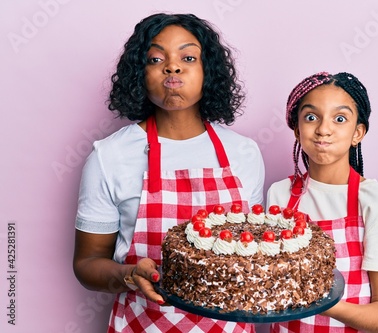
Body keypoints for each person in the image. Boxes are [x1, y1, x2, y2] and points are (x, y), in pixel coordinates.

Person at [73, 13, 265, 333]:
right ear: (140, 74)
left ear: (209, 72)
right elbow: (87, 264)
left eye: (188, 57)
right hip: (141, 323)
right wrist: (128, 275)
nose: (172, 67)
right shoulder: (110, 156)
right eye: (156, 58)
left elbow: (253, 250)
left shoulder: (243, 153)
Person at [267, 72, 378, 333]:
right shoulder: (279, 195)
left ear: (358, 133)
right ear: (297, 130)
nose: (323, 129)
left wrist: (315, 299)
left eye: (339, 119)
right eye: (311, 117)